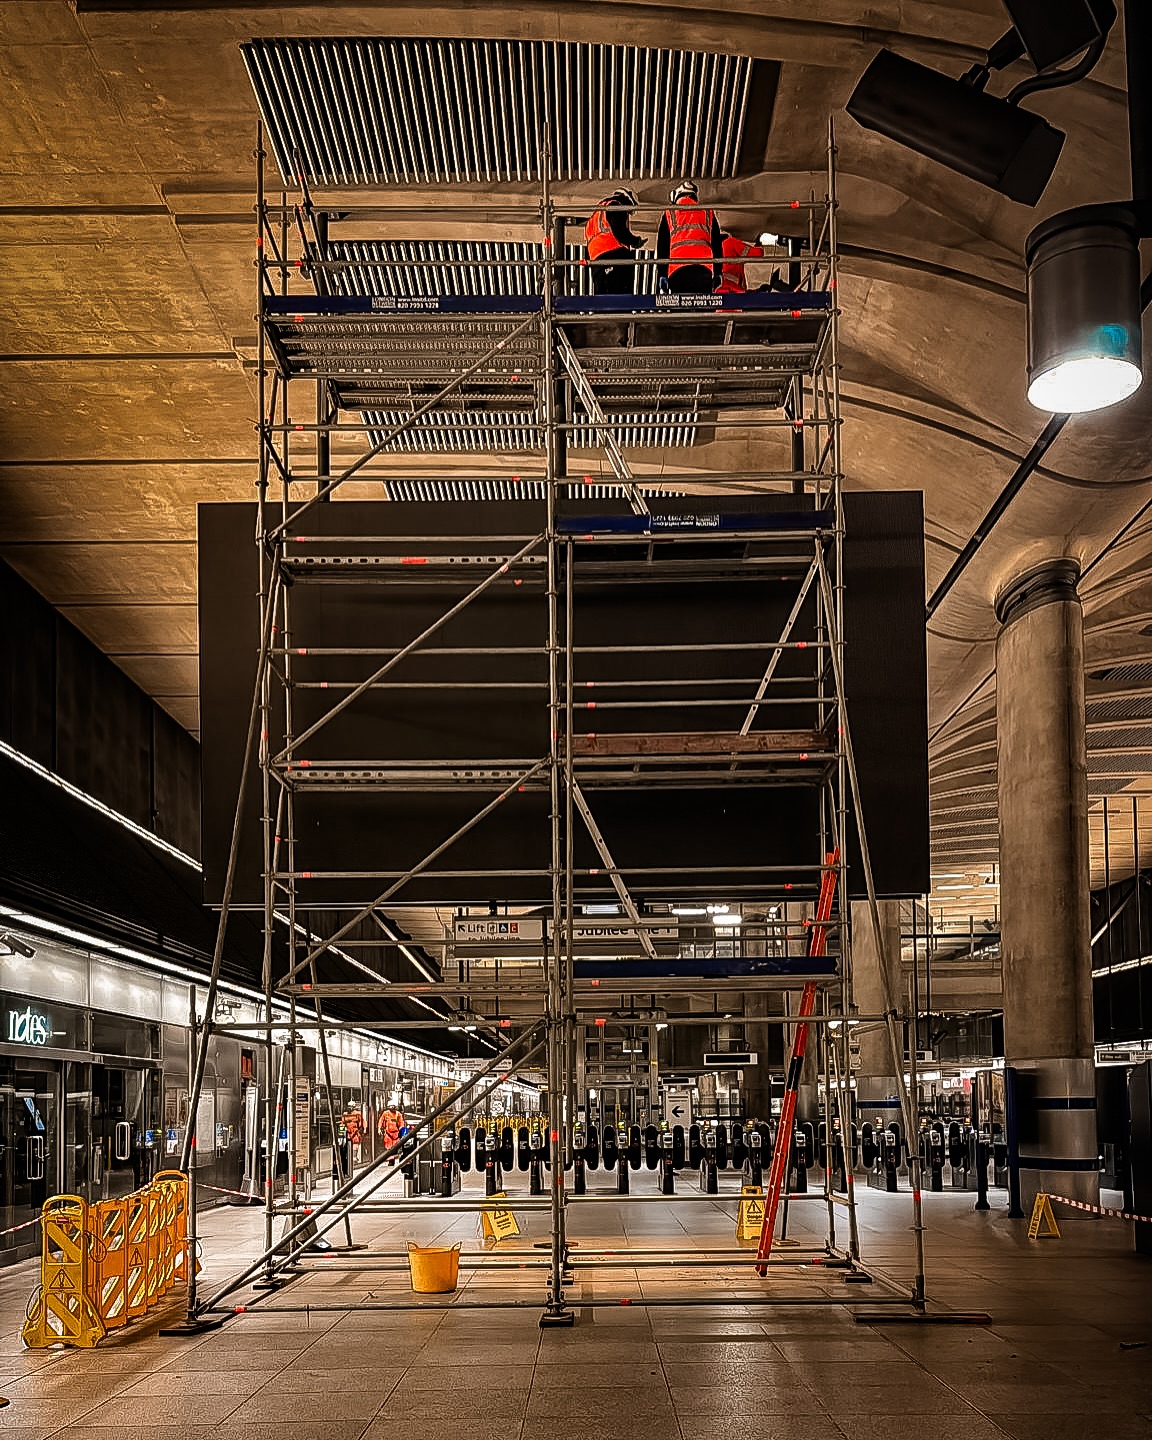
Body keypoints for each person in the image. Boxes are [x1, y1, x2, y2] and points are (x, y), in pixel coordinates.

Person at [657, 180, 723, 295]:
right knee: (703, 307)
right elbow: (717, 245)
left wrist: (662, 273)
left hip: (677, 269)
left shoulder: (670, 213)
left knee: (681, 310)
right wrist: (718, 272)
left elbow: (663, 246)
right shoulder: (708, 213)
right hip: (704, 268)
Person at [584, 188, 645, 295]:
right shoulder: (616, 205)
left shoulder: (595, 216)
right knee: (620, 297)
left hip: (596, 266)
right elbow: (620, 231)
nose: (628, 213)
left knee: (603, 301)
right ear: (627, 199)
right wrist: (635, 241)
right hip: (615, 258)